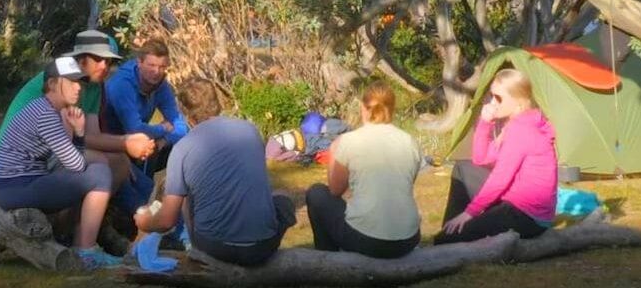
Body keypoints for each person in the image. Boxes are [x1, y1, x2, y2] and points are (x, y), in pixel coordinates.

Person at [133, 78, 296, 267]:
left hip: (214, 248)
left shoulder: (182, 149)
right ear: (217, 103)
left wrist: (145, 222)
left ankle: (190, 244)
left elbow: (166, 220)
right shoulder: (251, 131)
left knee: (183, 194)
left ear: (185, 113)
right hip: (262, 248)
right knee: (282, 197)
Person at [0, 56, 122, 269]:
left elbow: (70, 160)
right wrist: (80, 133)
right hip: (18, 188)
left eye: (79, 82)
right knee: (100, 174)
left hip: (19, 184)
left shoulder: (42, 108)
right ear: (52, 85)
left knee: (96, 170)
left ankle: (81, 242)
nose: (78, 88)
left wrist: (78, 134)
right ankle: (86, 251)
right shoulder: (45, 115)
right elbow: (75, 164)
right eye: (71, 82)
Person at [0, 30, 157, 195]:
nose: (104, 67)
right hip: (26, 156)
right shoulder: (62, 81)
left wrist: (127, 145)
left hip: (55, 146)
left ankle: (146, 214)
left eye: (109, 62)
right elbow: (70, 138)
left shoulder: (94, 85)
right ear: (81, 59)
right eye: (98, 59)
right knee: (108, 164)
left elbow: (93, 136)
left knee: (127, 171)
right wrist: (126, 143)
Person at [435, 68, 557, 244]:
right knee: (463, 167)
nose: (492, 102)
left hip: (526, 216)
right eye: (491, 96)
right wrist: (485, 123)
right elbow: (480, 159)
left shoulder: (521, 130)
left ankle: (451, 234)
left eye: (498, 98)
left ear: (518, 102)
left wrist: (471, 212)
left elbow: (500, 178)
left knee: (443, 241)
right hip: (516, 200)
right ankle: (452, 228)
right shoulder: (515, 123)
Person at [303, 82, 422, 258]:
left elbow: (335, 190)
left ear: (363, 108)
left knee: (317, 193)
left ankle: (328, 257)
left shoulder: (348, 141)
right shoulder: (409, 141)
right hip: (408, 238)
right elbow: (403, 184)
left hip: (368, 240)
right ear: (392, 108)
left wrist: (334, 152)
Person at [104, 37, 187, 210]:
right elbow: (134, 128)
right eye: (151, 66)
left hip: (144, 147)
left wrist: (165, 139)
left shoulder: (161, 85)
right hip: (111, 145)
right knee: (143, 194)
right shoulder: (122, 84)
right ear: (139, 62)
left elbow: (181, 125)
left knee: (177, 147)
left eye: (162, 67)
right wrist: (162, 128)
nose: (157, 72)